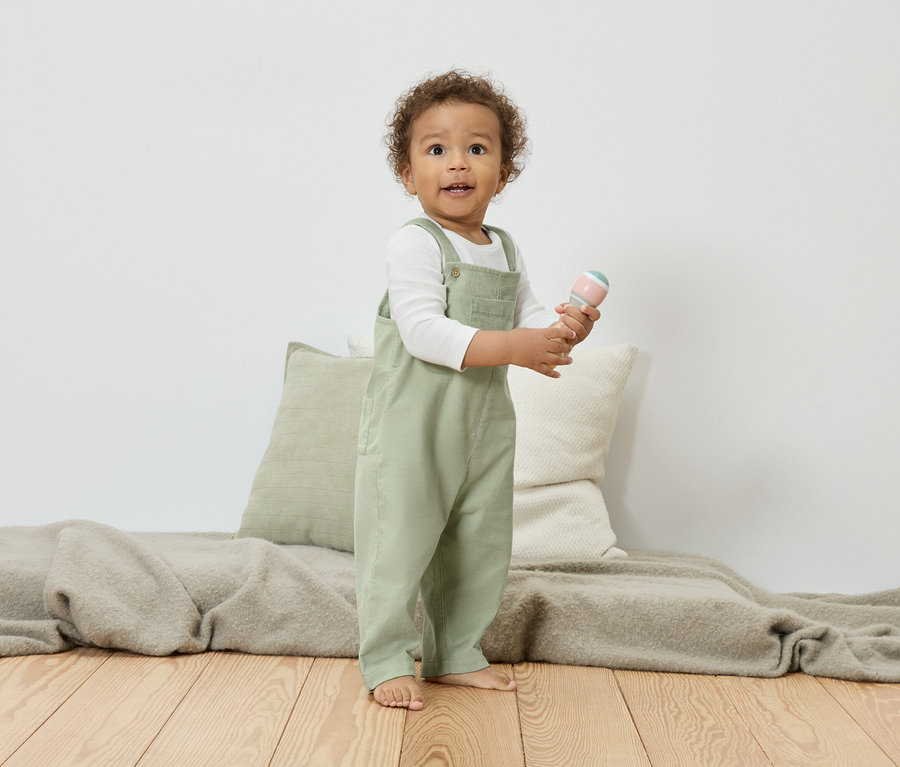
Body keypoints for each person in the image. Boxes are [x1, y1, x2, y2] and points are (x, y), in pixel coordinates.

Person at [354, 70, 601, 710]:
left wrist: (561, 327)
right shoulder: (415, 243)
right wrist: (516, 349)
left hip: (484, 423)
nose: (456, 162)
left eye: (477, 148)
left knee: (478, 541)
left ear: (504, 169)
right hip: (415, 426)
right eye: (435, 150)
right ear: (408, 174)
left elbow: (531, 316)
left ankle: (456, 651)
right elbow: (423, 332)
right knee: (399, 539)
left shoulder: (503, 247)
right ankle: (384, 658)